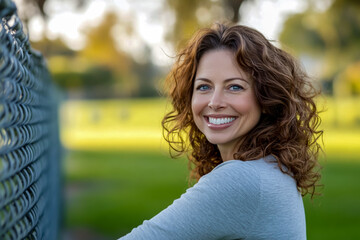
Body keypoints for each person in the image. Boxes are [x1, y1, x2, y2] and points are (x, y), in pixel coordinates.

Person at [118, 23, 323, 240]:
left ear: (265, 97)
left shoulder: (242, 180)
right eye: (204, 87)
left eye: (234, 87)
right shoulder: (271, 167)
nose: (215, 102)